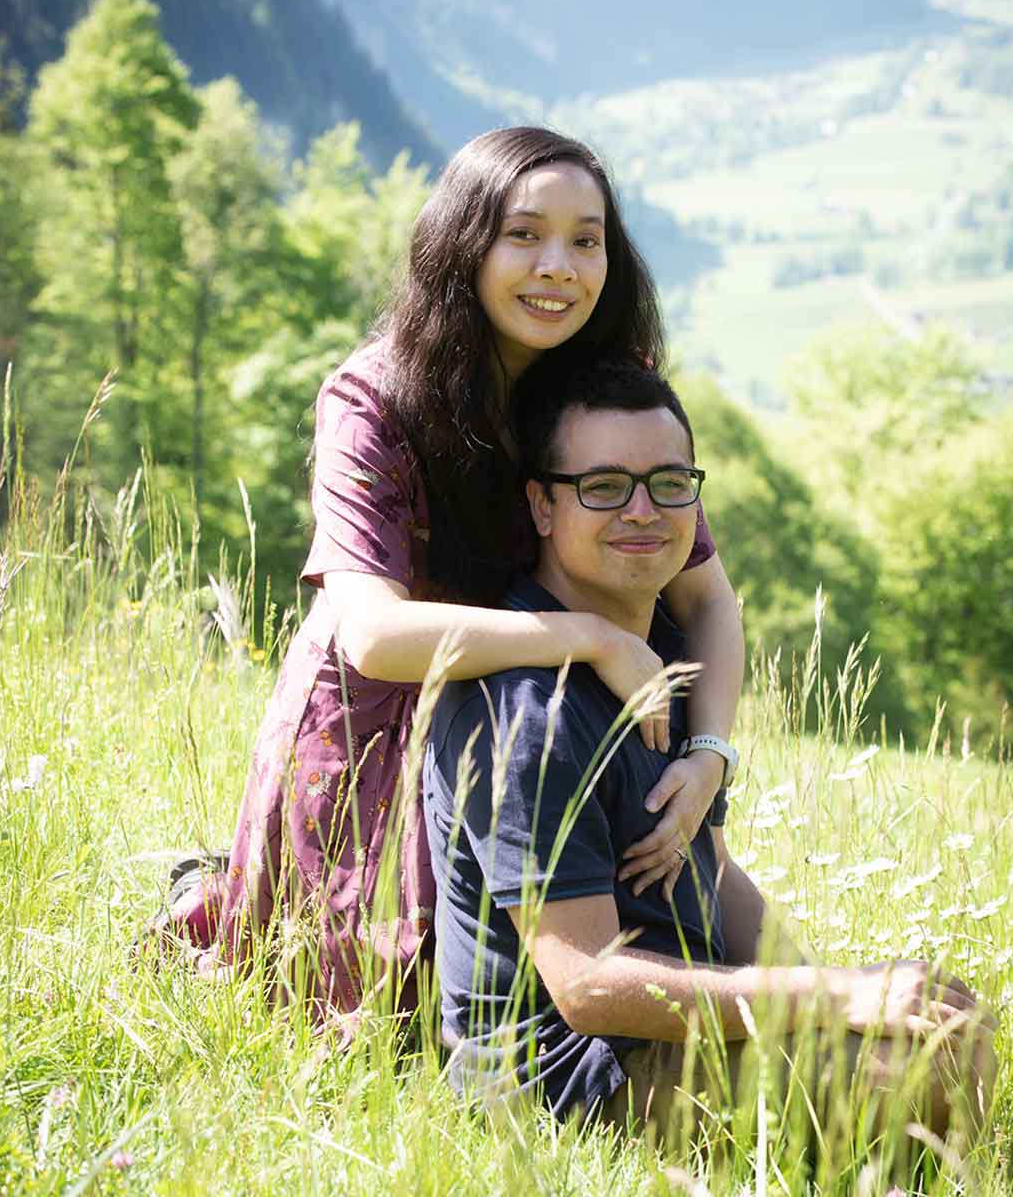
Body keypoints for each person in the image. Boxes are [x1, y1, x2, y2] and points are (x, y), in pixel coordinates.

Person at [156, 128, 744, 1023]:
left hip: (550, 727)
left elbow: (706, 596)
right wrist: (592, 638)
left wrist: (709, 756)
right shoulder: (375, 398)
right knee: (364, 1015)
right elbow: (373, 635)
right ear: (463, 242)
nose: (559, 267)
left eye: (587, 241)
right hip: (382, 723)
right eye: (524, 234)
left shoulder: (613, 387)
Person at [423, 361, 993, 1147]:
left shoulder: (656, 658)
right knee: (910, 1074)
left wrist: (856, 992)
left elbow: (710, 868)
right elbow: (586, 984)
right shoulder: (526, 711)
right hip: (570, 1083)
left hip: (674, 1029)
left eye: (669, 483)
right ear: (543, 505)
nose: (643, 511)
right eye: (604, 487)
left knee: (945, 1016)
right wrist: (829, 999)